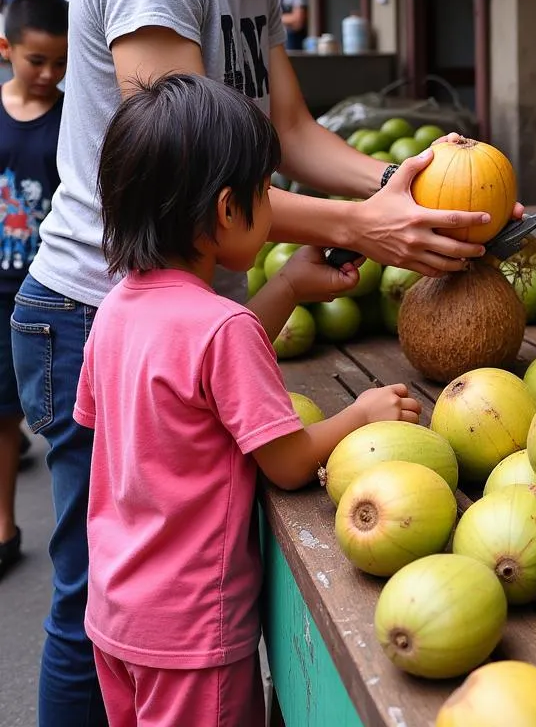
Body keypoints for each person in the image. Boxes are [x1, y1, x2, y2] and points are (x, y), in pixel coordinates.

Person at [12, 0, 520, 724]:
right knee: (95, 599)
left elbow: (285, 125)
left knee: (156, 586)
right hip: (98, 309)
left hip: (179, 311)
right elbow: (205, 174)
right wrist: (357, 227)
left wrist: (393, 184)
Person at [77, 72, 421, 727]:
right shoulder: (220, 329)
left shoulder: (117, 311)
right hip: (193, 629)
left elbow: (194, 376)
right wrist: (360, 415)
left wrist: (287, 286)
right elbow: (288, 462)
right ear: (229, 210)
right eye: (266, 192)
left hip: (119, 611)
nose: (272, 206)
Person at [0, 0, 68, 581]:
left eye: (60, 63)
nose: (49, 75)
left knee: (58, 420)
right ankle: (3, 526)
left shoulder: (72, 118)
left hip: (49, 290)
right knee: (1, 414)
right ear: (7, 50)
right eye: (36, 62)